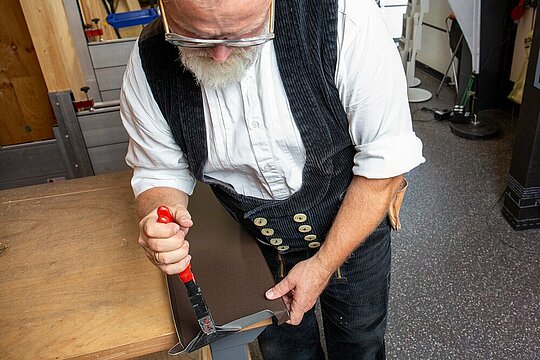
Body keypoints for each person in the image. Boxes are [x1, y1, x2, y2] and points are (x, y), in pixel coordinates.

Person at [120, 0, 425, 358]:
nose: (219, 55)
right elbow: (159, 170)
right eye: (197, 37)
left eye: (243, 33)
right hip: (257, 242)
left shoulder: (346, 19)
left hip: (356, 217)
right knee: (285, 350)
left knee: (360, 341)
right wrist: (159, 214)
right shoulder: (148, 63)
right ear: (165, 9)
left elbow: (383, 167)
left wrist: (324, 265)